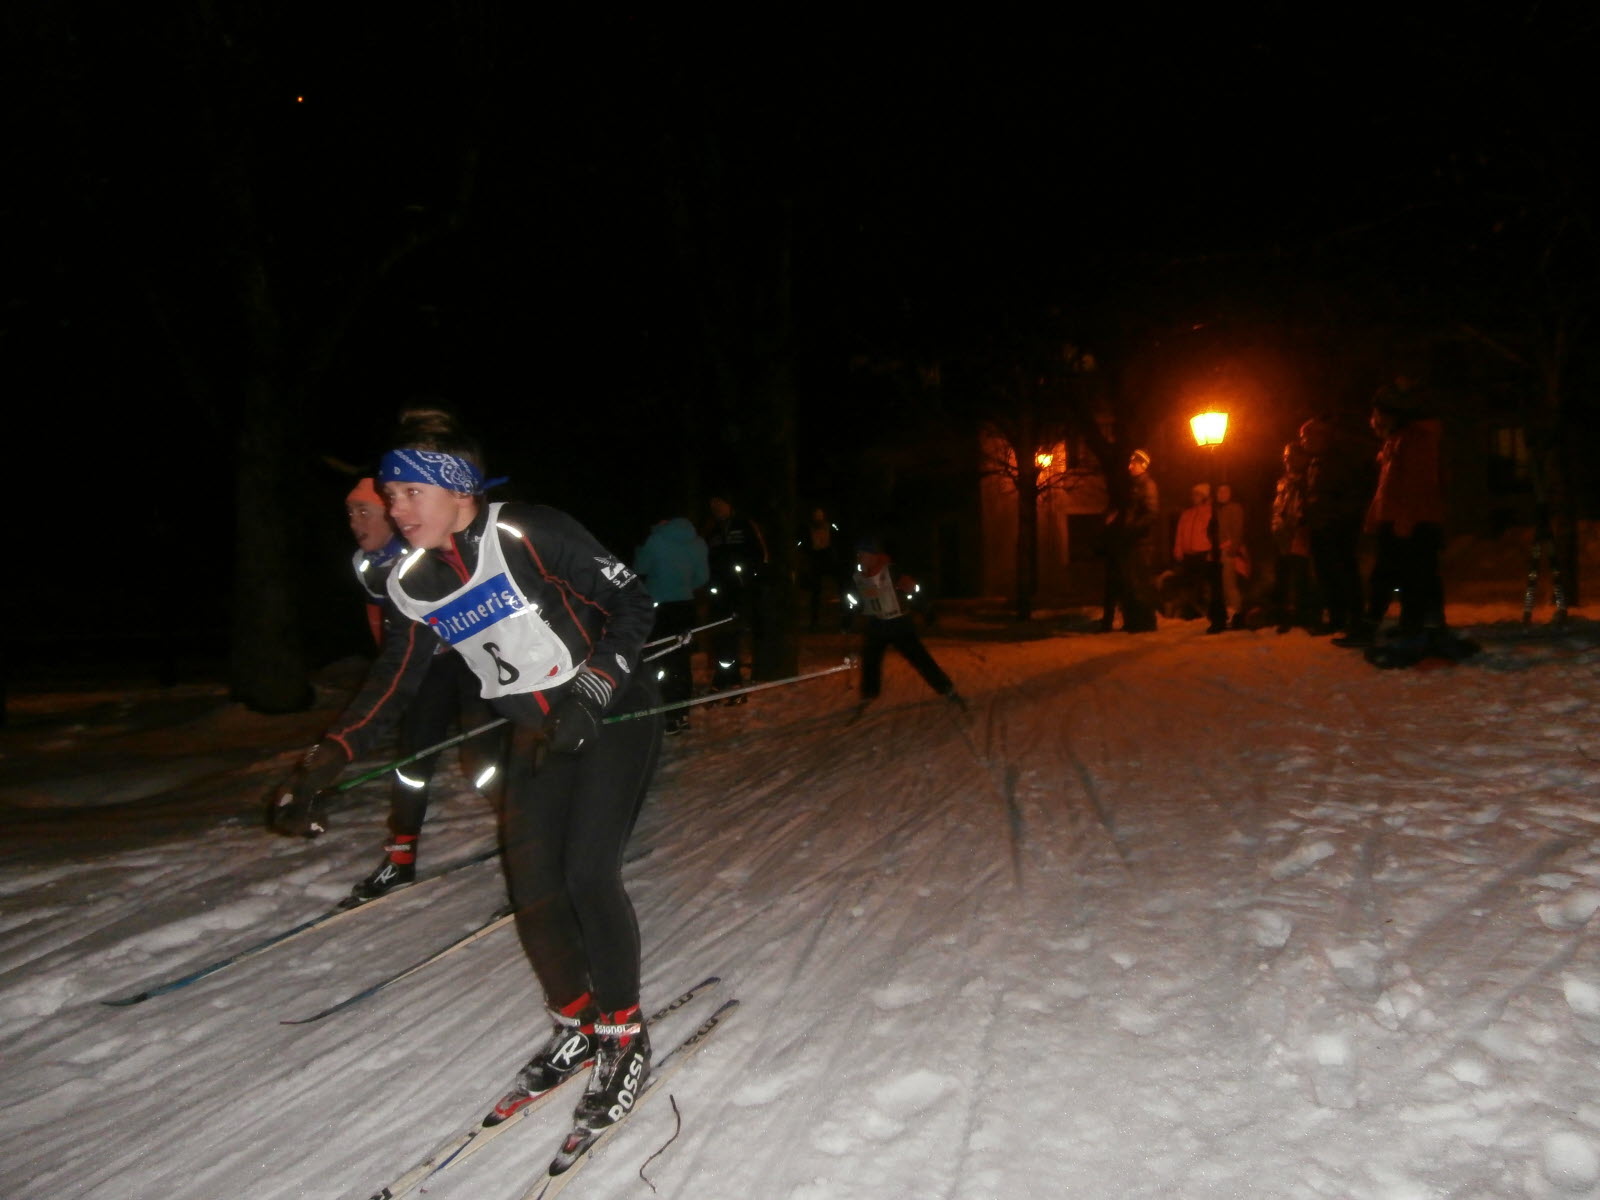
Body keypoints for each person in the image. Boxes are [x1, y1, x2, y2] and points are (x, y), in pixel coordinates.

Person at [271, 418, 662, 1139]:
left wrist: (596, 688)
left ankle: (623, 1035)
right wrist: (328, 758)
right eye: (390, 495)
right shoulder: (412, 581)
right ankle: (576, 1024)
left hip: (611, 713)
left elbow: (633, 601)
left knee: (587, 875)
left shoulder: (530, 533)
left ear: (457, 491)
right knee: (533, 888)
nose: (397, 509)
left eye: (410, 491)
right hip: (535, 732)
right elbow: (394, 680)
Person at [1357, 382, 1449, 660]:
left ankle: (1416, 629)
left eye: (1379, 413)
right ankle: (1417, 626)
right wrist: (1377, 516)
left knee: (1413, 576)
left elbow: (1416, 484)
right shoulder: (1396, 440)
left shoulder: (1415, 439)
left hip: (1414, 521)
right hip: (1399, 519)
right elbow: (1389, 487)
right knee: (1397, 574)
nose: (1374, 419)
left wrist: (1404, 520)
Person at [849, 536, 962, 716]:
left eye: (862, 554)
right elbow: (856, 600)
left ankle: (946, 687)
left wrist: (926, 609)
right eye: (858, 554)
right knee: (870, 659)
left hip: (899, 623)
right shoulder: (860, 576)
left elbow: (912, 590)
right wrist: (849, 615)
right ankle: (869, 694)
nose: (859, 558)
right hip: (876, 624)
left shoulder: (892, 571)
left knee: (919, 658)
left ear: (872, 555)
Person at [632, 516, 710, 735]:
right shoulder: (697, 542)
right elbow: (702, 577)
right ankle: (681, 712)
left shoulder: (656, 540)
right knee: (682, 659)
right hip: (685, 606)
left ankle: (665, 714)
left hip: (659, 606)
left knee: (659, 657)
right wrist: (683, 586)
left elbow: (640, 567)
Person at [1299, 415, 1370, 641]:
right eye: (1302, 437)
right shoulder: (1315, 463)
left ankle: (1355, 620)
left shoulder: (1338, 460)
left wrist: (1336, 518)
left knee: (1344, 572)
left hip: (1338, 527)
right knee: (1326, 574)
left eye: (1306, 436)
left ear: (1321, 437)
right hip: (1321, 527)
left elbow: (1350, 494)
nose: (1303, 441)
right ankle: (1337, 617)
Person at [703, 494, 768, 694]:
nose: (717, 509)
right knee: (721, 633)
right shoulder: (712, 530)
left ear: (729, 505)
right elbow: (709, 558)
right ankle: (724, 677)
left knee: (734, 633)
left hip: (740, 589)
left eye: (720, 504)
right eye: (713, 506)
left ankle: (733, 678)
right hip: (719, 589)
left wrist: (748, 576)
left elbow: (760, 553)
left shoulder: (744, 525)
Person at [1100, 449, 1160, 633]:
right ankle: (1134, 622)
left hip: (1140, 543)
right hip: (1131, 541)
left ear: (1143, 465)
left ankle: (1145, 623)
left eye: (1133, 463)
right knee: (1130, 583)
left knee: (1140, 583)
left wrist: (1132, 529)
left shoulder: (1147, 485)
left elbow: (1151, 513)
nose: (1129, 466)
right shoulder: (1134, 485)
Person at [1269, 443, 1318, 633]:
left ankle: (1303, 614)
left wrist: (1301, 526)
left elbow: (1306, 508)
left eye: (1290, 456)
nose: (1286, 460)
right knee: (1282, 575)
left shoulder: (1307, 480)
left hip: (1300, 533)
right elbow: (1278, 507)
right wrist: (1276, 527)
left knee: (1301, 575)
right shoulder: (1284, 481)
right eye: (1285, 456)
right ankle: (1282, 613)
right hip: (1283, 534)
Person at [1171, 483, 1226, 630]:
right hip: (1189, 554)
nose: (1194, 497)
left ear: (1205, 497)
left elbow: (1217, 533)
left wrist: (1214, 550)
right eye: (1193, 494)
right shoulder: (1187, 513)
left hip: (1204, 552)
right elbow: (1180, 533)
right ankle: (1190, 611)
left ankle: (1208, 612)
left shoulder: (1210, 512)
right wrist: (1178, 549)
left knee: (1205, 585)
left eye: (1198, 495)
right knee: (1189, 585)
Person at [801, 506, 851, 632]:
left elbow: (839, 539)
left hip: (829, 557)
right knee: (816, 591)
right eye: (816, 516)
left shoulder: (831, 527)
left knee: (841, 586)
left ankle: (845, 618)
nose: (819, 519)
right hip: (816, 558)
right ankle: (814, 621)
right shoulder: (809, 529)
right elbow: (804, 544)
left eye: (820, 516)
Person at [1214, 483, 1249, 629]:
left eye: (1225, 491)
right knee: (1224, 586)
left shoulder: (1234, 508)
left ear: (1231, 494)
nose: (1222, 494)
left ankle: (1237, 616)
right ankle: (1230, 615)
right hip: (1220, 552)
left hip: (1229, 552)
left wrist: (1232, 548)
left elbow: (1238, 529)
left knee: (1230, 585)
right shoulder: (1218, 510)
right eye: (1219, 491)